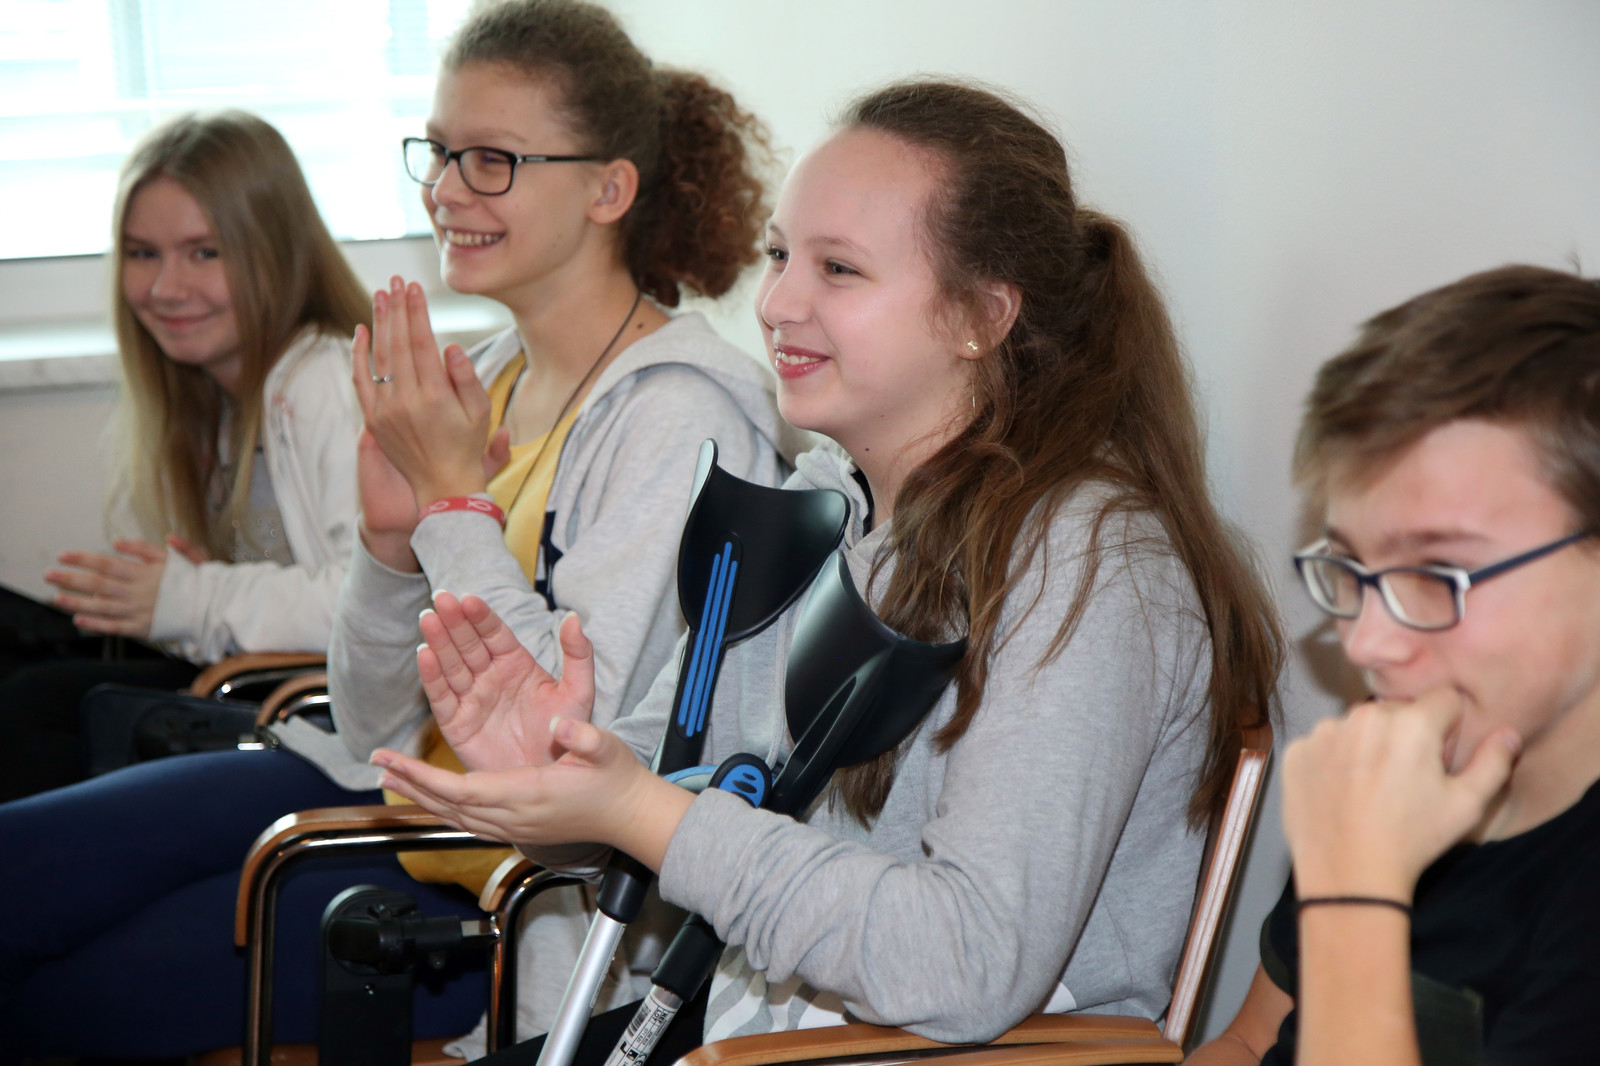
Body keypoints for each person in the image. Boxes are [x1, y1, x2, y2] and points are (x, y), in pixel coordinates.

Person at [376, 78, 1285, 1066]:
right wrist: (561, 771)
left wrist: (641, 810)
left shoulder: (1091, 564)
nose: (776, 304)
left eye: (838, 269)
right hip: (760, 1032)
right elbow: (665, 792)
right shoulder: (823, 505)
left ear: (981, 315)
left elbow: (966, 962)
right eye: (779, 256)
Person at [0, 1, 790, 1058]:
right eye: (440, 151)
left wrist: (454, 505)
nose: (447, 189)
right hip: (383, 795)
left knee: (59, 998)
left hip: (513, 892)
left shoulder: (682, 416)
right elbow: (374, 715)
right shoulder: (487, 379)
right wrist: (385, 550)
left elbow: (568, 755)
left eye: (493, 160)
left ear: (609, 190)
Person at [1187, 265, 1600, 1066]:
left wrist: (1355, 891)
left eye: (1440, 573)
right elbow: (1247, 1040)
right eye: (1352, 570)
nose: (1368, 643)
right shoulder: (1396, 767)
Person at [0, 108, 364, 803]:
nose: (165, 289)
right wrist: (188, 601)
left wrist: (193, 599)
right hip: (276, 698)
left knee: (29, 712)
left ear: (277, 253)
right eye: (143, 254)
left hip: (337, 743)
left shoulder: (324, 379)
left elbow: (375, 607)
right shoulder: (214, 399)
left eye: (205, 252)